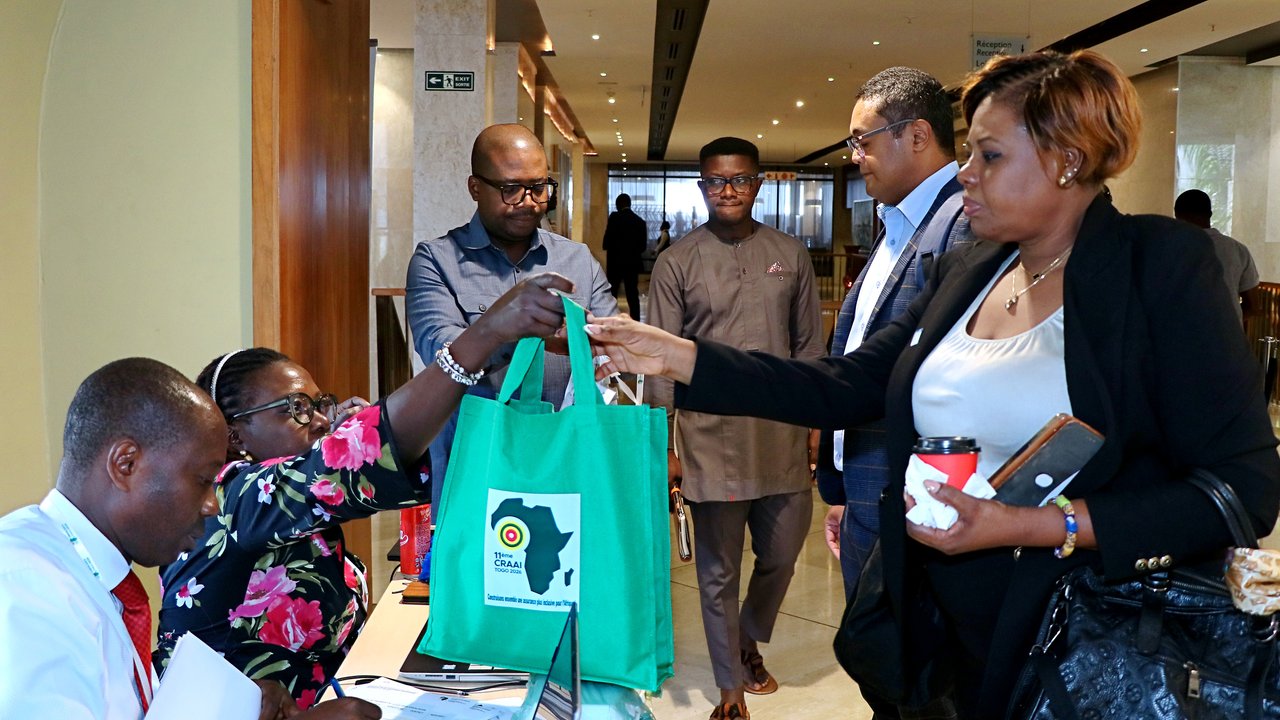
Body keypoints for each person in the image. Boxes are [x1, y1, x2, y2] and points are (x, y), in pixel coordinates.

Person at [585, 50, 1280, 719]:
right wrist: (675, 357)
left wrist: (1039, 526)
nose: (966, 174)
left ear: (1067, 160)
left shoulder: (1158, 268)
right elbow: (847, 386)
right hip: (937, 629)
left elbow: (1239, 492)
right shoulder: (973, 271)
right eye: (969, 152)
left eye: (990, 155)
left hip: (1079, 633)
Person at [157, 274, 574, 708]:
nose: (320, 420)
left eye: (320, 405)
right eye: (297, 409)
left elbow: (414, 469)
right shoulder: (227, 497)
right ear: (236, 435)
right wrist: (485, 334)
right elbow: (357, 462)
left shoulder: (294, 511)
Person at [0, 358, 380, 719]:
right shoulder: (28, 591)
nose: (212, 505)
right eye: (202, 481)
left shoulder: (89, 575)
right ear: (125, 465)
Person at [648, 136, 823, 720]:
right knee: (717, 570)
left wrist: (815, 430)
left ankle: (747, 636)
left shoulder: (790, 253)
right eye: (717, 181)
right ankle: (730, 687)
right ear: (702, 188)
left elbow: (808, 350)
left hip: (780, 435)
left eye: (740, 180)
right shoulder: (677, 262)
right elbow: (660, 360)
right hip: (709, 438)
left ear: (758, 184)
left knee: (781, 555)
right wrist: (663, 445)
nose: (728, 190)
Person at [405, 124, 616, 525]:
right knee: (475, 577)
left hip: (567, 454)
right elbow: (442, 351)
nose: (530, 202)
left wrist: (601, 340)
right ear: (475, 187)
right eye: (512, 189)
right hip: (475, 457)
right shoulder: (436, 261)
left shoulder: (577, 260)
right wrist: (511, 328)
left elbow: (610, 342)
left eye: (539, 187)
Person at [820, 66, 974, 601]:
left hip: (913, 494)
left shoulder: (962, 224)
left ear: (917, 135)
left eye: (862, 140)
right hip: (867, 485)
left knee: (908, 668)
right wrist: (841, 488)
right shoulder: (897, 224)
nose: (854, 155)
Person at [1173, 188, 1260, 323]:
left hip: (1180, 338)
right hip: (1228, 341)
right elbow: (1253, 306)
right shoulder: (1238, 250)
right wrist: (1228, 324)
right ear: (1210, 214)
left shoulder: (1171, 250)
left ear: (1177, 216)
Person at [602, 192, 648, 320]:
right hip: (632, 264)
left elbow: (606, 243)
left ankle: (610, 319)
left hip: (615, 263)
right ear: (629, 204)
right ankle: (636, 321)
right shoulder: (640, 222)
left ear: (617, 205)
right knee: (632, 294)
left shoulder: (614, 218)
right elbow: (642, 247)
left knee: (612, 294)